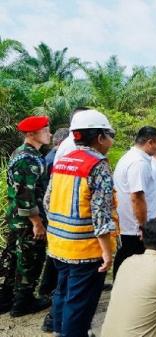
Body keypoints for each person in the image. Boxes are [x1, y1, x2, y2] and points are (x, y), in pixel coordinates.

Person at [45, 109, 118, 337]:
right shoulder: (98, 166)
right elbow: (101, 216)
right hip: (85, 249)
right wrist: (107, 253)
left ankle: (59, 331)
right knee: (79, 304)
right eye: (110, 134)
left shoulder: (63, 161)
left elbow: (48, 201)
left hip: (58, 243)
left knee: (62, 292)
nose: (111, 140)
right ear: (99, 137)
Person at [0, 116, 52, 316]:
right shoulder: (28, 158)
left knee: (15, 256)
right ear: (31, 134)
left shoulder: (25, 154)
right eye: (45, 130)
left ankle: (8, 298)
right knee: (29, 258)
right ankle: (23, 302)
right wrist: (37, 223)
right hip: (27, 219)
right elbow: (25, 195)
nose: (49, 133)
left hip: (18, 217)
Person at [113, 126, 156, 278]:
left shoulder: (132, 157)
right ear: (150, 142)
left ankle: (121, 287)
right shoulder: (138, 163)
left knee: (127, 257)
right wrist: (143, 226)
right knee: (132, 259)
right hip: (134, 226)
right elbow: (137, 197)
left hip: (130, 223)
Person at [38, 126, 69, 333]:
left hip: (53, 219)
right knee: (59, 268)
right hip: (55, 220)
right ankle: (47, 296)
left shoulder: (53, 157)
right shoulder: (54, 160)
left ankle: (46, 291)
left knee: (56, 263)